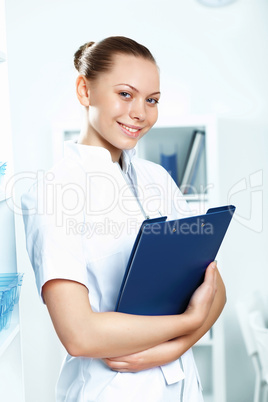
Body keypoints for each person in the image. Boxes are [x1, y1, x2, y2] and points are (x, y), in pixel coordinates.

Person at [21, 36, 226, 402]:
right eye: (126, 94)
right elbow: (79, 334)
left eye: (152, 100)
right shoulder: (54, 191)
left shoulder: (157, 180)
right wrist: (189, 323)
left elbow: (216, 290)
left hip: (180, 384)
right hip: (111, 390)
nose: (140, 113)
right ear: (85, 91)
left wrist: (171, 349)